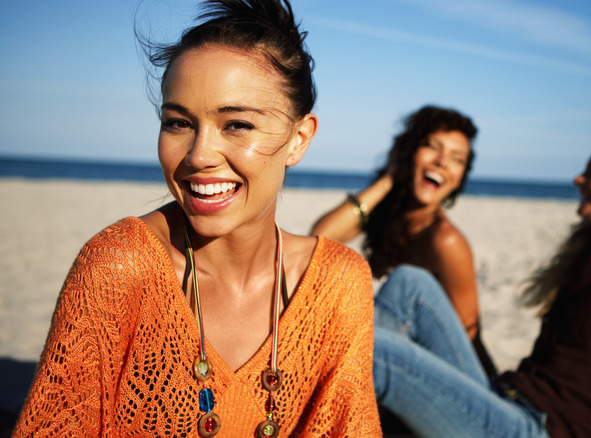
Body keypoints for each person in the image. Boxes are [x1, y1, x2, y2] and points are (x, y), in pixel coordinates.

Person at [13, 1, 380, 436]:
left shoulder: (336, 285)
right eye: (178, 123)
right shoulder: (119, 268)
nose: (199, 156)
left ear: (298, 139)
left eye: (237, 124)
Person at [372, 134, 591, 437]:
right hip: (505, 399)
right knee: (409, 282)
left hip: (538, 429)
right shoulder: (587, 252)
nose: (578, 179)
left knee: (376, 353)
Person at [310, 105, 497, 376]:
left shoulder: (446, 241)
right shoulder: (391, 219)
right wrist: (389, 178)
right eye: (432, 147)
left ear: (460, 179)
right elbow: (320, 237)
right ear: (409, 152)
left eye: (457, 159)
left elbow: (467, 342)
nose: (442, 161)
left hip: (446, 382)